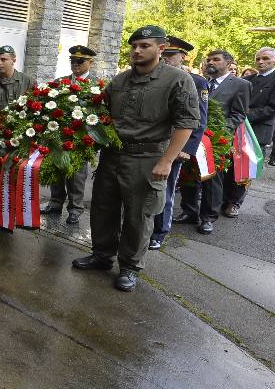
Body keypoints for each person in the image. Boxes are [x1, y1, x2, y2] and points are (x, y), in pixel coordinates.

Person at [72, 25, 199, 292]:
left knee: (138, 215)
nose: (137, 51)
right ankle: (102, 255)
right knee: (103, 208)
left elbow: (186, 123)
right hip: (113, 155)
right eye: (134, 47)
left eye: (144, 46)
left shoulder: (177, 79)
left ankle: (130, 266)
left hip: (148, 157)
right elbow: (99, 113)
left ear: (160, 49)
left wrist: (167, 161)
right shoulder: (119, 81)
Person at [177, 49, 251, 234]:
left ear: (228, 63)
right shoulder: (199, 81)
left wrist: (216, 132)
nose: (211, 62)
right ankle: (189, 211)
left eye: (216, 59)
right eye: (208, 59)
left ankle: (208, 217)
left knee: (210, 178)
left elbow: (238, 115)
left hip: (215, 140)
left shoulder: (240, 84)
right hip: (192, 136)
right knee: (188, 174)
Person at [148, 36, 208, 250]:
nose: (166, 59)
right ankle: (142, 229)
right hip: (150, 142)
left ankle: (159, 231)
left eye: (171, 56)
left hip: (174, 145)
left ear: (183, 57)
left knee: (165, 190)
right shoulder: (152, 76)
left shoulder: (196, 81)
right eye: (163, 55)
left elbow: (199, 119)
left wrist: (186, 149)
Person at [222, 47, 275, 216]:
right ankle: (222, 199)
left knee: (245, 166)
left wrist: (243, 116)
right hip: (236, 127)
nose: (260, 61)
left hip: (257, 130)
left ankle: (234, 202)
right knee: (228, 165)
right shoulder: (248, 79)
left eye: (265, 58)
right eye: (258, 58)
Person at [0, 45, 35, 225]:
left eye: (3, 59)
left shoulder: (28, 82)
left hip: (24, 140)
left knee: (22, 176)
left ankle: (20, 212)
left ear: (14, 60)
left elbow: (36, 110)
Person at [42, 45, 97, 225]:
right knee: (56, 171)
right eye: (72, 60)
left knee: (77, 176)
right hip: (59, 137)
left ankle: (75, 209)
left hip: (81, 139)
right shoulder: (61, 82)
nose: (75, 64)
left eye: (80, 61)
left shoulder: (97, 85)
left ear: (90, 62)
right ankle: (55, 202)